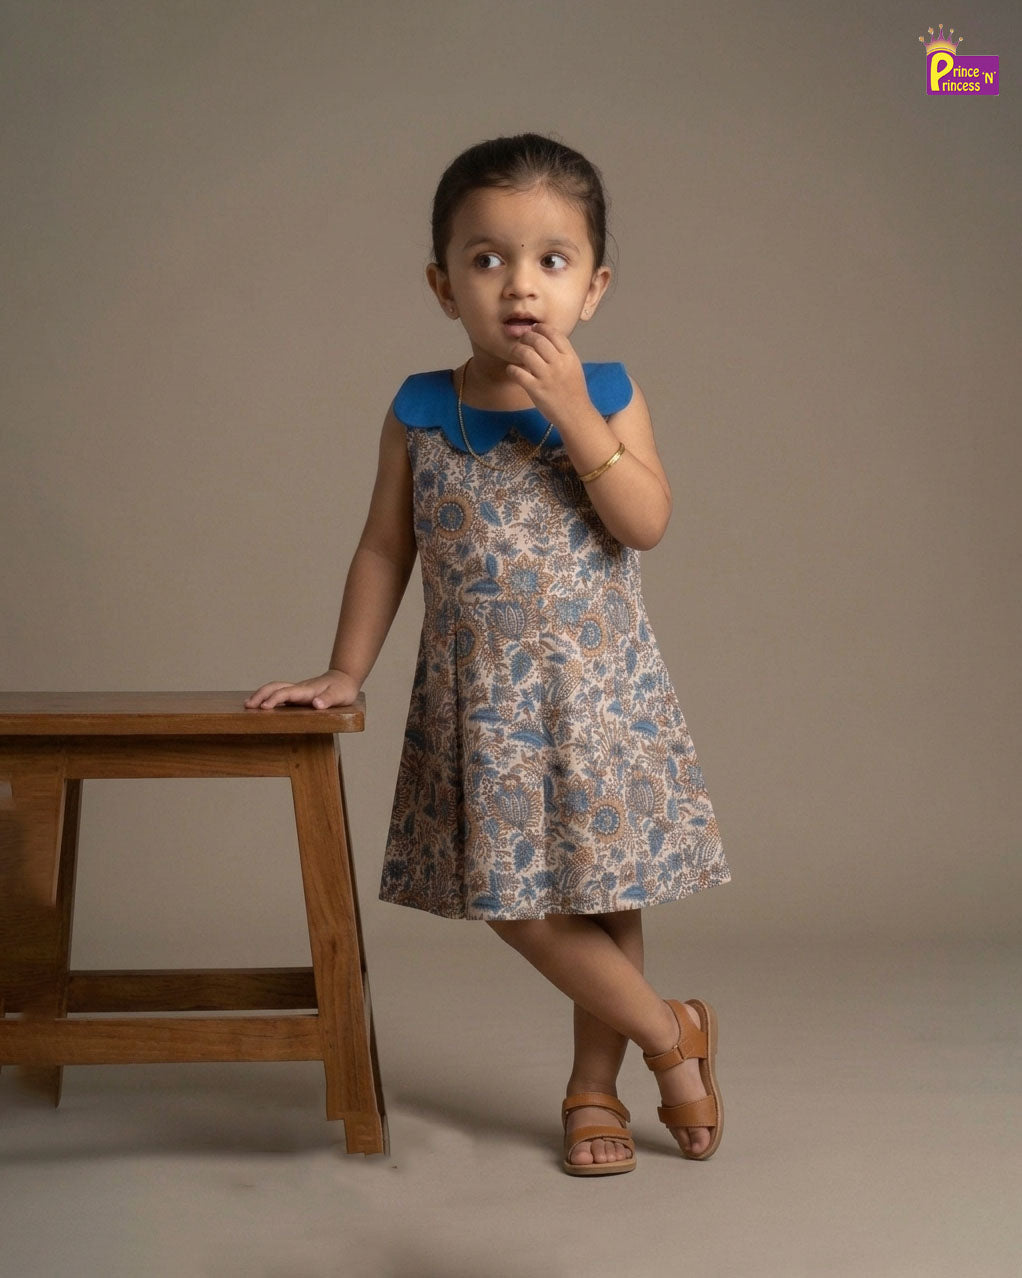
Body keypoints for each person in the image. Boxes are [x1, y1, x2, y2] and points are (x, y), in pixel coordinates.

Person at [247, 133, 731, 1176]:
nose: (520, 286)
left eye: (551, 261)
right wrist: (344, 669)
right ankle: (670, 1030)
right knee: (515, 904)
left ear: (593, 287)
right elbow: (386, 546)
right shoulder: (420, 409)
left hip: (599, 695)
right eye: (487, 259)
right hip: (485, 705)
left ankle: (592, 1090)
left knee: (604, 895)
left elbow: (642, 520)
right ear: (441, 283)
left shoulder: (605, 390)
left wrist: (570, 414)